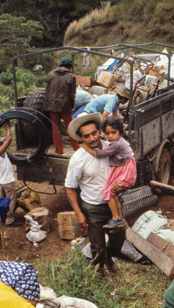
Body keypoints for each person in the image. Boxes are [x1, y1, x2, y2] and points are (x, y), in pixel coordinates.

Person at [64, 113, 126, 274]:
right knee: (97, 246)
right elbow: (70, 187)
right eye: (86, 136)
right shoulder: (78, 159)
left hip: (114, 203)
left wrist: (123, 186)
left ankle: (109, 256)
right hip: (93, 207)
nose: (92, 138)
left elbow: (125, 170)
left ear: (100, 131)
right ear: (81, 138)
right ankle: (98, 274)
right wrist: (79, 213)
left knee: (119, 238)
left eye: (94, 133)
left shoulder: (112, 147)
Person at [79, 116, 136, 230]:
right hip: (122, 168)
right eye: (107, 133)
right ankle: (120, 217)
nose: (110, 136)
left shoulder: (117, 144)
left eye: (113, 133)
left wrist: (85, 146)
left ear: (120, 131)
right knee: (114, 194)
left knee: (108, 193)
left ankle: (115, 218)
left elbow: (100, 154)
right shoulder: (118, 141)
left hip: (124, 170)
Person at [43, 57, 79, 155]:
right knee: (70, 127)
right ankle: (77, 149)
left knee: (55, 126)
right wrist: (71, 106)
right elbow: (72, 94)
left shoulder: (50, 74)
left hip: (52, 105)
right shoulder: (71, 76)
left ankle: (59, 150)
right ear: (70, 67)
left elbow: (47, 91)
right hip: (65, 105)